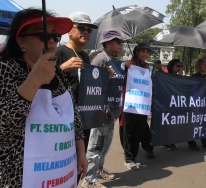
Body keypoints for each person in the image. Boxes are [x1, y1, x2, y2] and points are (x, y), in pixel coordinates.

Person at [0, 8, 87, 187]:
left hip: (58, 173)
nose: (52, 40)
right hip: (13, 176)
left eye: (55, 36)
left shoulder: (57, 74)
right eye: (43, 35)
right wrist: (34, 80)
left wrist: (81, 151)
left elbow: (73, 116)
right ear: (21, 40)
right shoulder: (4, 70)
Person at [55, 11, 98, 186]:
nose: (86, 32)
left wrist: (104, 78)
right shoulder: (59, 52)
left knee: (79, 161)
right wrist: (62, 67)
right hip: (62, 118)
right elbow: (45, 82)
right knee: (63, 161)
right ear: (69, 30)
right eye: (81, 27)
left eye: (89, 29)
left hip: (83, 117)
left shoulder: (86, 56)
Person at [82, 28, 125, 188]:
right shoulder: (100, 59)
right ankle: (89, 179)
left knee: (105, 145)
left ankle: (99, 170)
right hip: (101, 111)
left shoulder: (114, 61)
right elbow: (91, 85)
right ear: (108, 42)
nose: (121, 44)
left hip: (113, 109)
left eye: (122, 42)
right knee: (95, 145)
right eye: (118, 41)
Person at [119, 43, 154, 170]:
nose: (145, 54)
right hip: (129, 104)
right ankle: (128, 158)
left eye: (147, 52)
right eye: (142, 51)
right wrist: (124, 66)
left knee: (139, 131)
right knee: (128, 132)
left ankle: (133, 157)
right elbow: (119, 77)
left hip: (142, 105)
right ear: (136, 52)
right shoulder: (129, 64)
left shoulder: (146, 67)